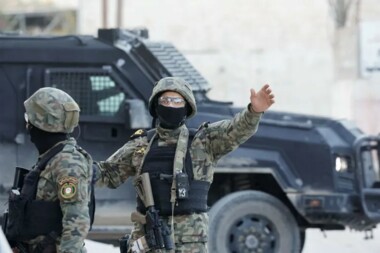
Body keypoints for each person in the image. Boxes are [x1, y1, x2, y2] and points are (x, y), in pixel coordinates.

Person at [95, 77, 275, 253]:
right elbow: (107, 174)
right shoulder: (140, 145)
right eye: (165, 100)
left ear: (187, 107)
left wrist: (253, 112)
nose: (170, 105)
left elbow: (235, 130)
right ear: (156, 106)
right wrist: (75, 164)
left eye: (177, 101)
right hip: (147, 238)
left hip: (190, 242)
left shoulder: (203, 141)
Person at [4, 87, 93, 253]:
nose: (27, 124)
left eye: (29, 119)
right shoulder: (51, 158)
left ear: (40, 124)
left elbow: (76, 222)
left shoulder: (67, 162)